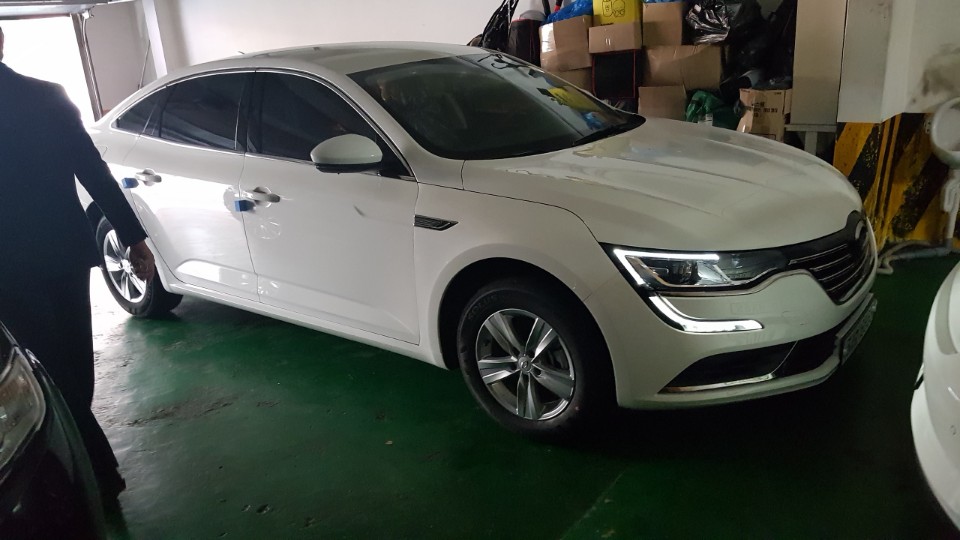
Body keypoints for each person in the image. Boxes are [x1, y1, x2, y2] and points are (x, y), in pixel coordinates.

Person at [0, 25, 155, 502]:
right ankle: (94, 466)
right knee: (73, 363)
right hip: (64, 253)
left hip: (9, 267)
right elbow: (94, 171)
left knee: (48, 368)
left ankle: (95, 472)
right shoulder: (47, 96)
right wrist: (133, 238)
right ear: (1, 42)